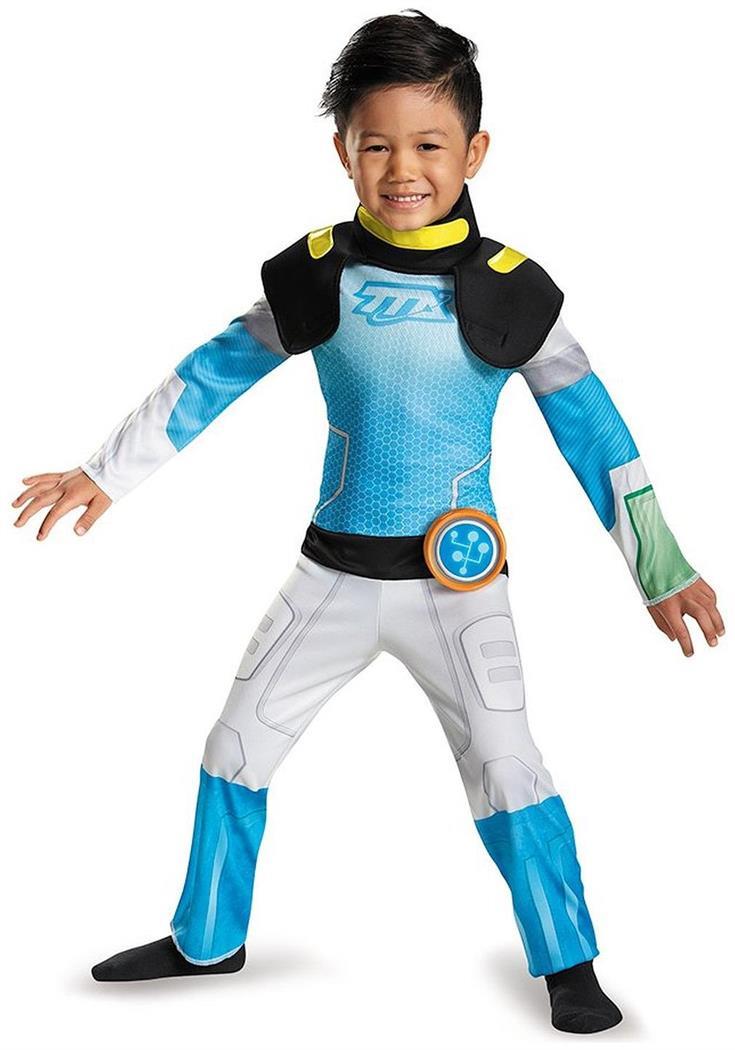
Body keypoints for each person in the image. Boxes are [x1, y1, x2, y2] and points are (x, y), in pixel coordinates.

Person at [11, 9, 724, 1035]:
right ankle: (208, 939)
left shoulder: (514, 293)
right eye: (376, 144)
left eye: (429, 144)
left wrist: (661, 570)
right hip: (330, 578)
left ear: (474, 151)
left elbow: (597, 435)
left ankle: (569, 963)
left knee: (509, 767)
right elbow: (211, 374)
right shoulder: (316, 276)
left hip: (459, 586)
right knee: (233, 747)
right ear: (343, 151)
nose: (403, 168)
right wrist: (101, 475)